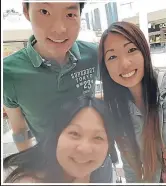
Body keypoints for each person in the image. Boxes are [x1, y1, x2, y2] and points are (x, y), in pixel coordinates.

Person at [3, 2, 113, 182]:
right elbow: (19, 129)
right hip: (50, 168)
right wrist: (33, 169)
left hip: (96, 162)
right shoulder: (8, 73)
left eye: (70, 14)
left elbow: (120, 92)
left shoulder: (93, 55)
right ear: (26, 11)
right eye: (44, 11)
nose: (60, 29)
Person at [98, 21, 166, 183]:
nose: (124, 64)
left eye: (131, 50)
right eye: (112, 57)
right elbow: (132, 170)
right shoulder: (119, 113)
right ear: (106, 68)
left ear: (144, 51)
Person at [4, 96, 118, 183]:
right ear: (56, 137)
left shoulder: (102, 170)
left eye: (98, 137)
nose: (85, 149)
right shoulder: (28, 181)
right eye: (74, 133)